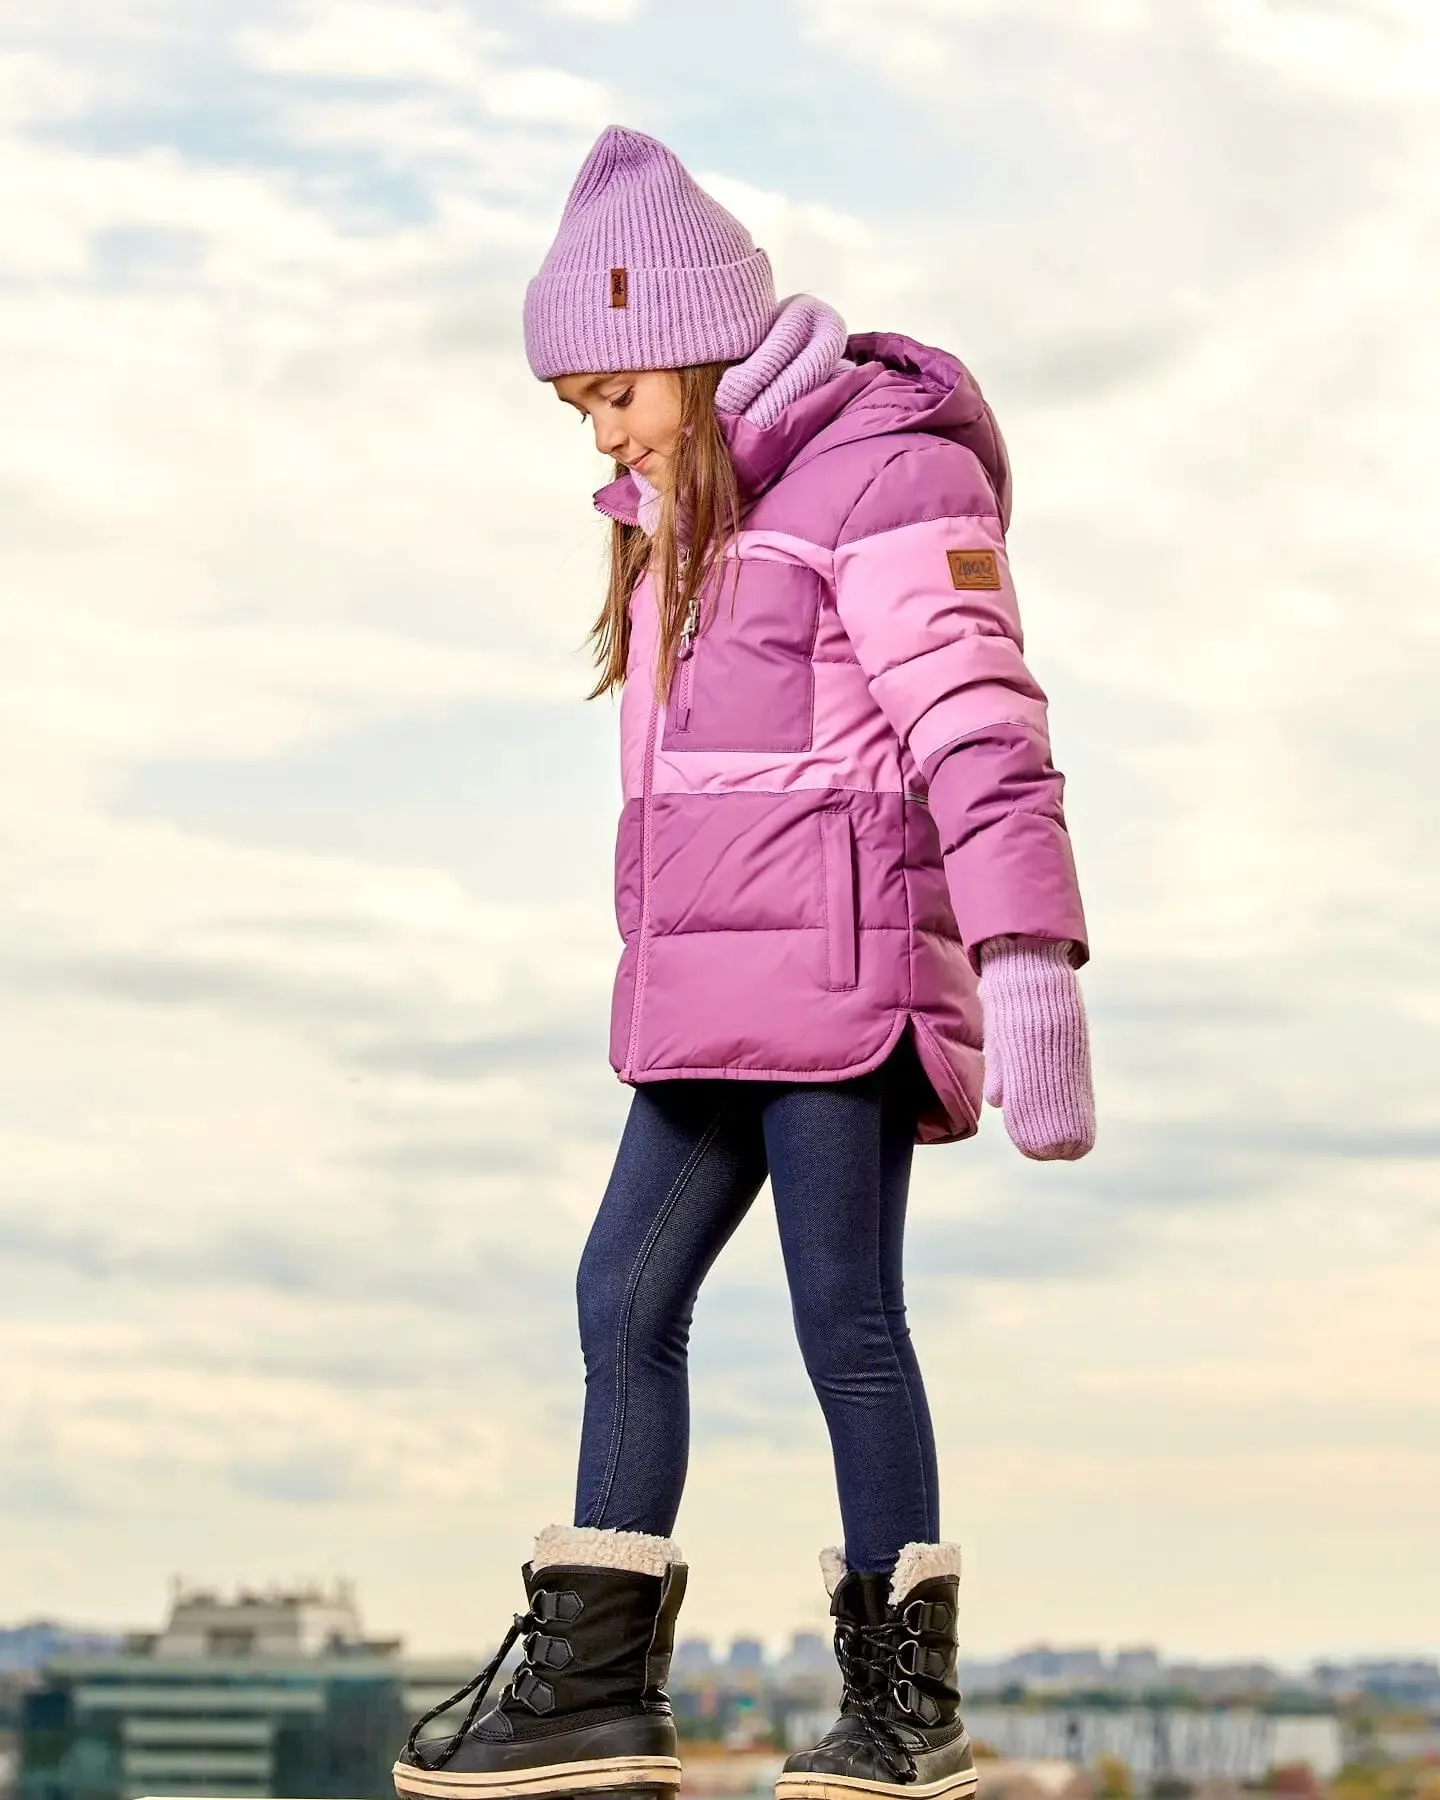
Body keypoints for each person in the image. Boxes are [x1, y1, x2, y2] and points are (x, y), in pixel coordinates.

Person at [394, 126, 1094, 1800]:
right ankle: (589, 1690)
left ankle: (901, 1706)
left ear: (696, 341)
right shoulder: (685, 517)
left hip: (842, 986)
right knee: (617, 1295)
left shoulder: (888, 469)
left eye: (614, 390)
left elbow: (980, 728)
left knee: (843, 1317)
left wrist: (1026, 954)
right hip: (713, 988)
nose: (602, 430)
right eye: (578, 412)